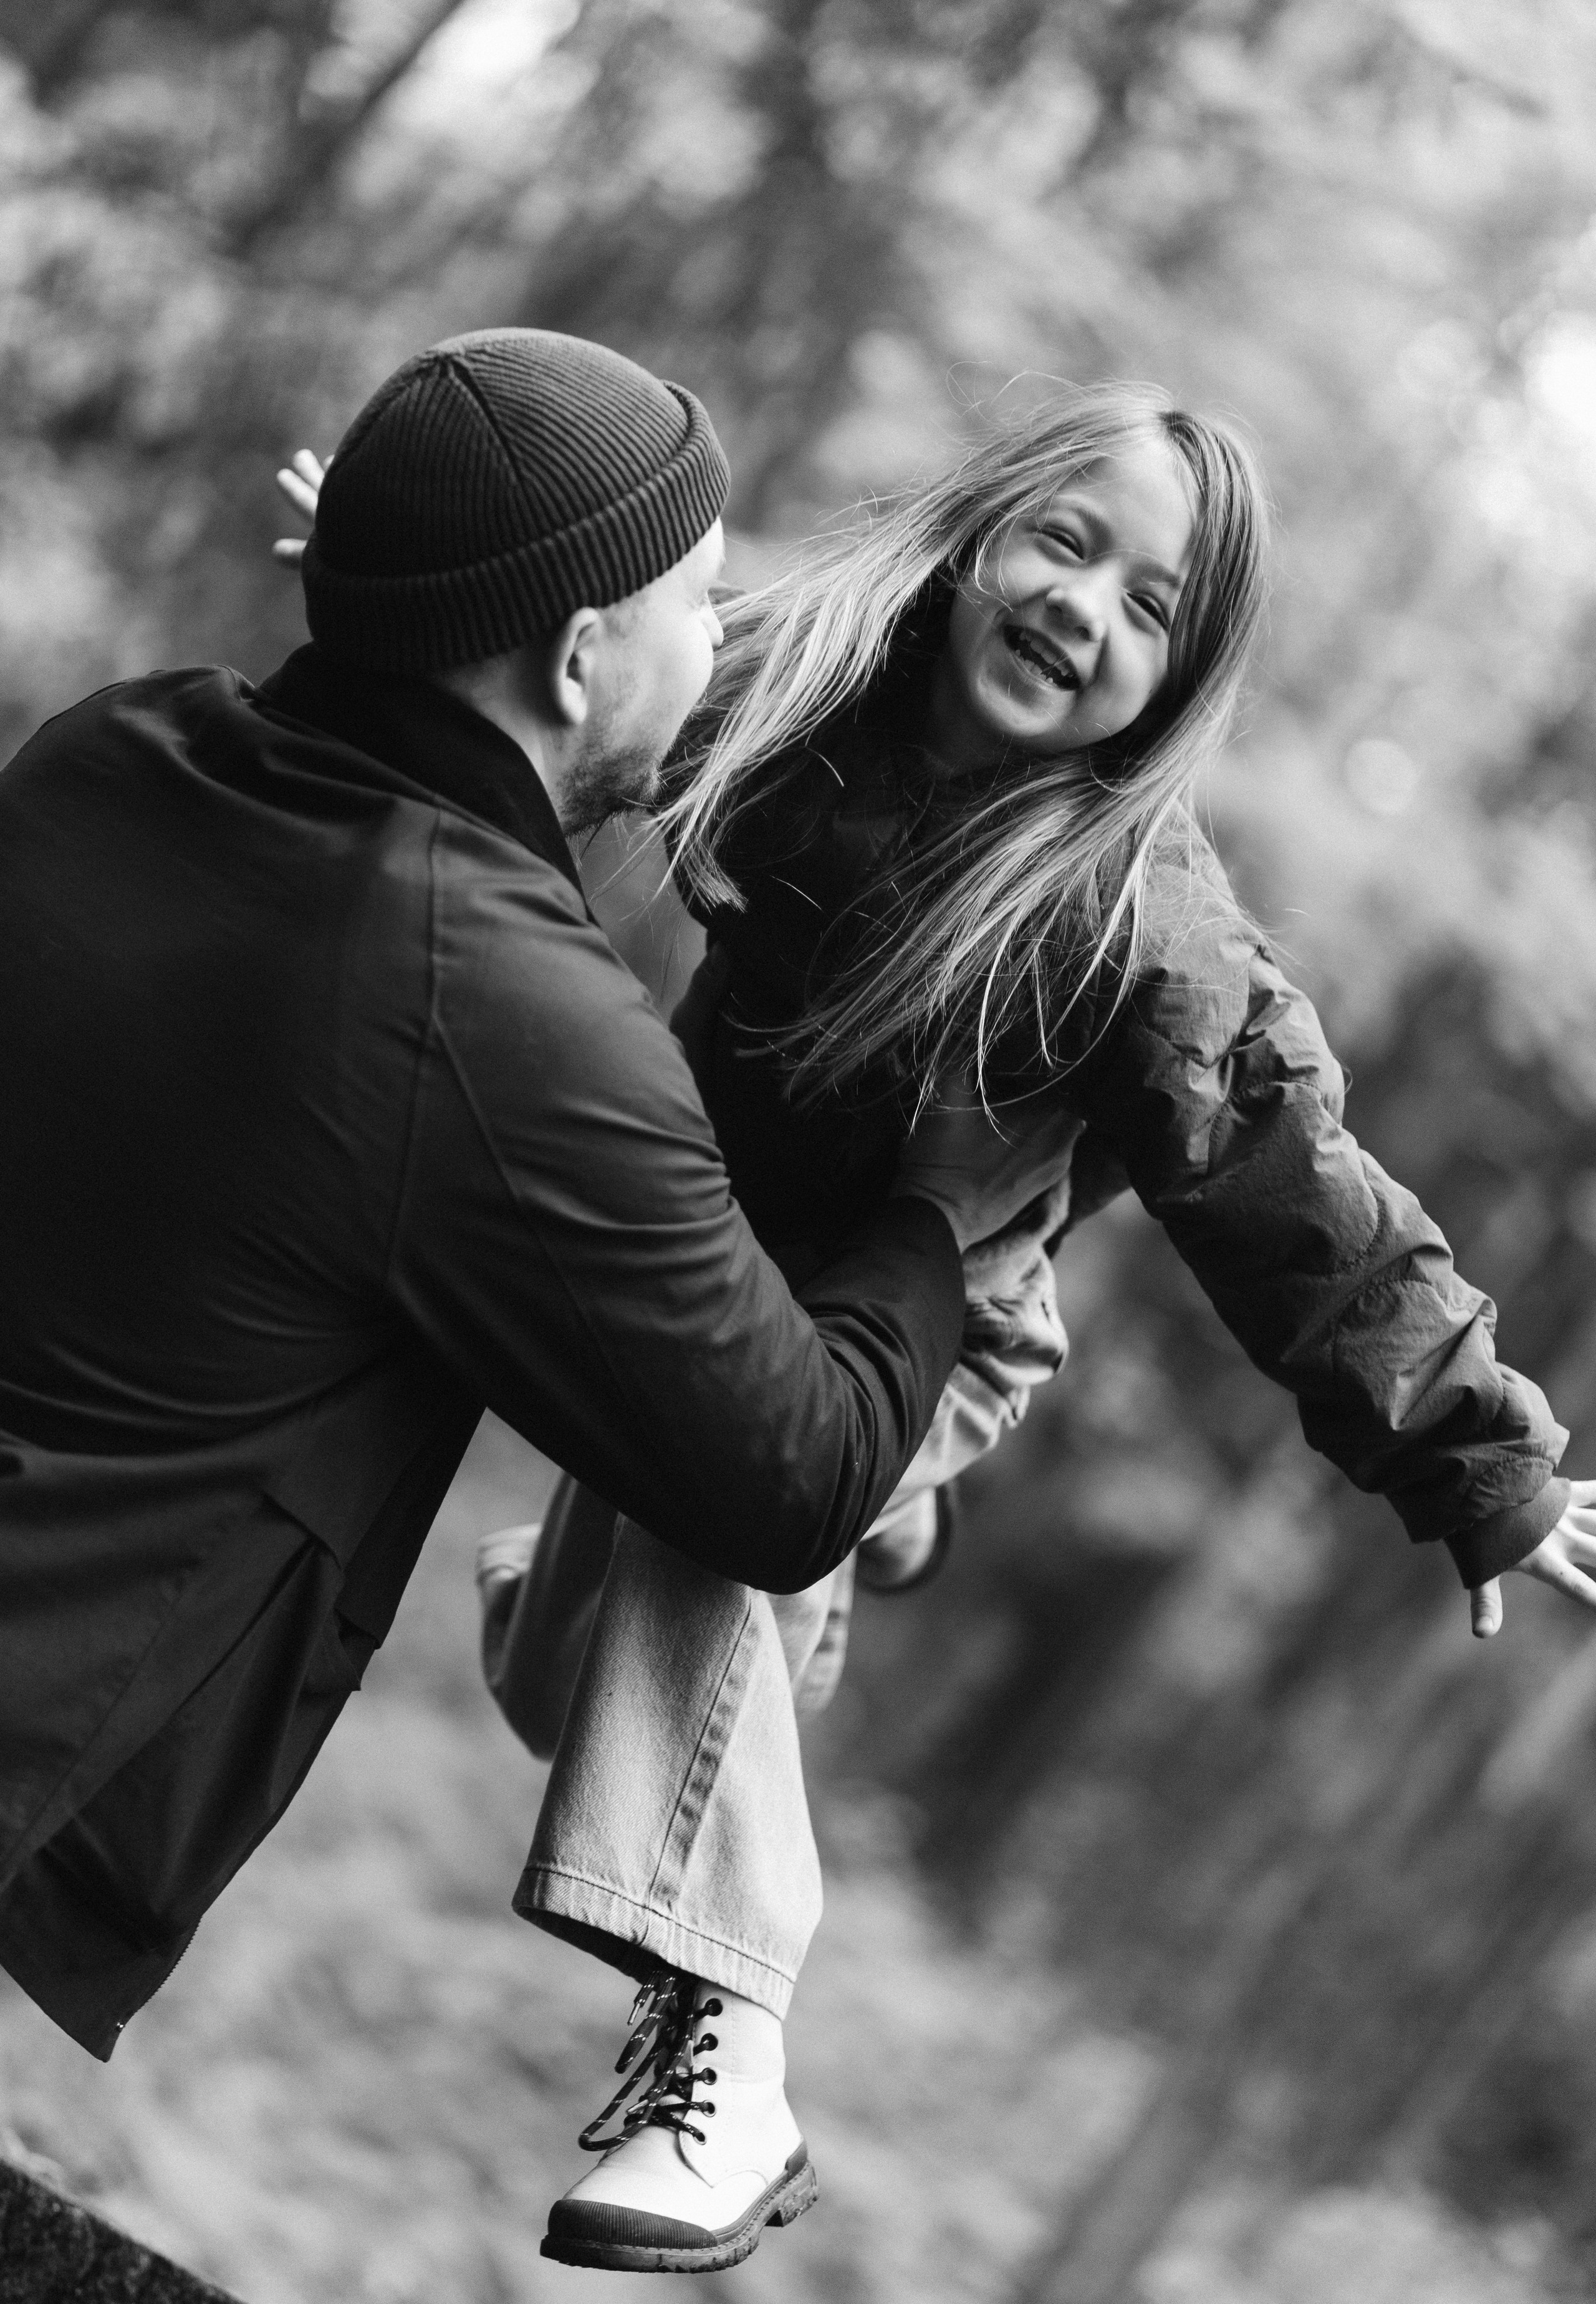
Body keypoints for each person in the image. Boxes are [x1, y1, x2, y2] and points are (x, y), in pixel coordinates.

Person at [430, 381, 1596, 2275]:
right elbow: (569, 696)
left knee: (735, 1500)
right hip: (710, 1258)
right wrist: (422, 601)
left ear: (1181, 681)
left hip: (940, 1327)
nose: (1086, 609)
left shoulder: (1144, 927)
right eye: (1069, 543)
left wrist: (1484, 1465)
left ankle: (730, 2053)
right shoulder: (792, 681)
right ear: (982, 531)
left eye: (1153, 609)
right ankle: (701, 1568)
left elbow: (1303, 1192)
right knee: (568, 1668)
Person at [0, 328, 1077, 2071]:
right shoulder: (492, 1005)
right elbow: (792, 1472)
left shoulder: (110, 753)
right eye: (700, 604)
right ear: (581, 658)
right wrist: (938, 1216)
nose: (724, 644)